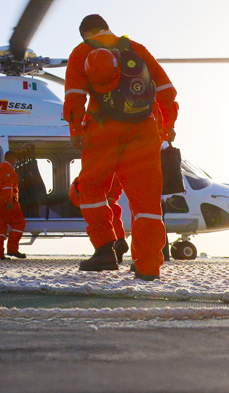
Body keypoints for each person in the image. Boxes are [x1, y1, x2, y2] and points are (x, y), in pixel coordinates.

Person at [64, 14, 178, 280]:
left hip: (102, 130)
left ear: (85, 34)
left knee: (91, 187)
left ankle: (105, 249)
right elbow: (166, 88)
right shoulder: (135, 48)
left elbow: (74, 97)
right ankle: (148, 263)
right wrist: (167, 124)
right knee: (147, 200)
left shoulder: (82, 51)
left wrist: (76, 130)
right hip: (144, 131)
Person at [69, 174, 126, 261]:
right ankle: (120, 240)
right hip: (113, 188)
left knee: (98, 216)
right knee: (113, 211)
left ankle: (104, 248)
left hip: (97, 188)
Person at [0, 150, 28, 259]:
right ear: (12, 159)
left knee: (0, 226)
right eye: (15, 159)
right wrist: (9, 201)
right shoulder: (8, 170)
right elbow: (8, 186)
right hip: (5, 200)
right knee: (19, 222)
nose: (16, 161)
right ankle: (12, 249)